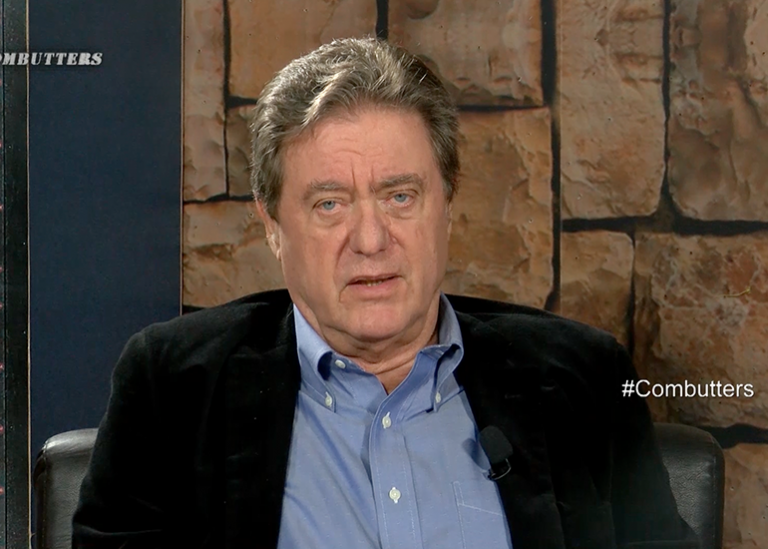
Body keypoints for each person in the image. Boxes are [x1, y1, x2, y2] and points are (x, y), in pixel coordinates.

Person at [72, 37, 699, 549]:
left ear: (446, 205)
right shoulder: (173, 389)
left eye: (400, 196)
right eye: (329, 204)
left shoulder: (584, 380)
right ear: (272, 225)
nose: (370, 240)